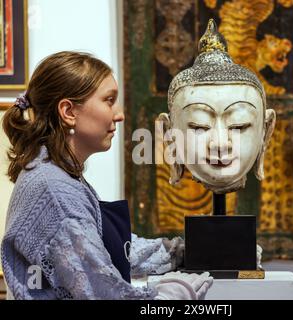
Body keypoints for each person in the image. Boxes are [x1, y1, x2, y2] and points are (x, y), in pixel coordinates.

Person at [0, 51, 213, 300]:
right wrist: (167, 299)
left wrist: (185, 252)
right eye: (109, 100)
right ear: (69, 111)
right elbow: (103, 292)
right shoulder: (55, 192)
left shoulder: (60, 177)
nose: (119, 114)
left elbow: (111, 250)